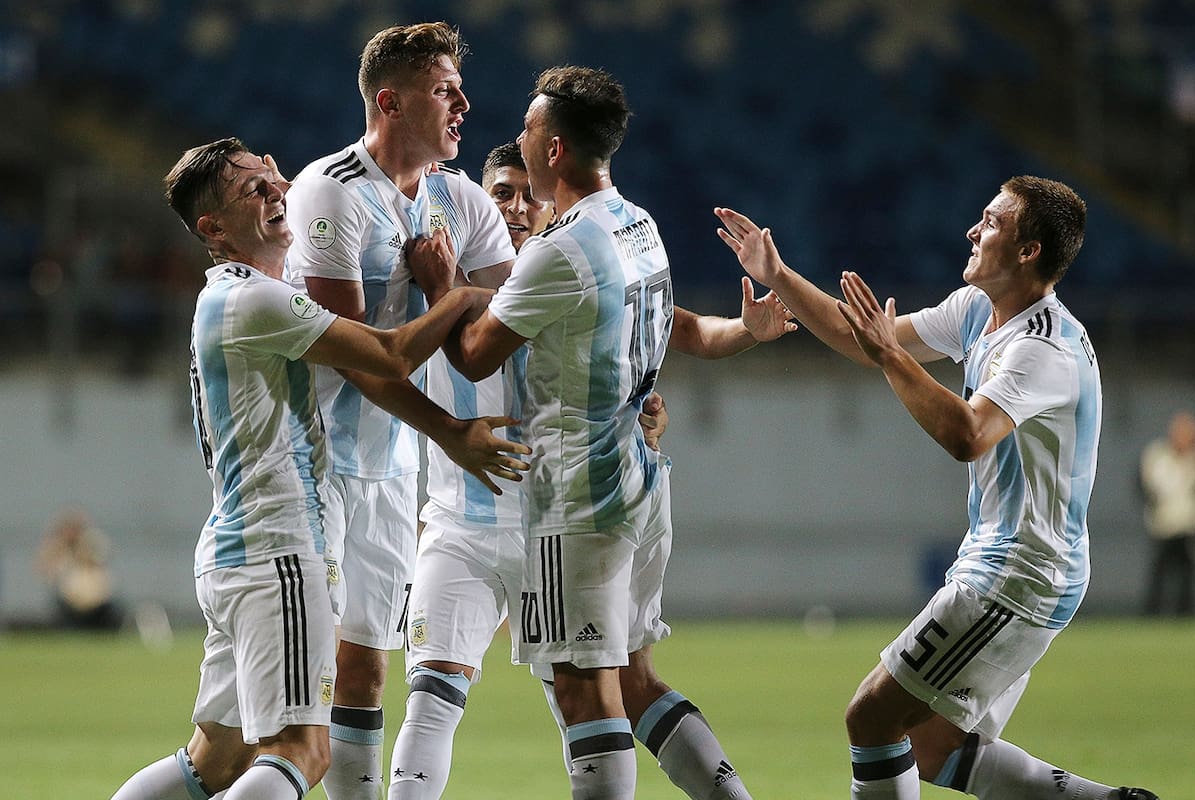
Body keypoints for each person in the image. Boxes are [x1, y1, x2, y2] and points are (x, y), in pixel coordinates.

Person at [715, 178, 1157, 800]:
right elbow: (859, 341)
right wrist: (778, 274)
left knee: (871, 718)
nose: (974, 231)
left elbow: (968, 434)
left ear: (1028, 251)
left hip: (1020, 572)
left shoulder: (1043, 348)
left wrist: (894, 356)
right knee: (930, 747)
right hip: (1015, 565)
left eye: (992, 222)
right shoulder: (979, 310)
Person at [389, 139, 791, 799]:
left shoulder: (578, 272)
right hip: (461, 524)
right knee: (432, 691)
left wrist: (745, 330)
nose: (516, 208)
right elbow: (404, 183)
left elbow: (688, 332)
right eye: (501, 195)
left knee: (619, 692)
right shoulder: (441, 264)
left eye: (530, 194)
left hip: (558, 528)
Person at [110, 137, 494, 800]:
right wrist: (456, 294)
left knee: (214, 763)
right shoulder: (256, 301)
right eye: (252, 191)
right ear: (214, 229)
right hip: (282, 549)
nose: (276, 191)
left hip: (236, 548)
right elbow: (391, 354)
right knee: (302, 751)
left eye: (272, 177)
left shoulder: (232, 296)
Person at [282, 22, 528, 799]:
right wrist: (453, 427)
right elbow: (355, 355)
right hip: (308, 456)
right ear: (389, 101)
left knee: (364, 660)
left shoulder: (462, 199)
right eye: (443, 90)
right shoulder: (330, 191)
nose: (464, 103)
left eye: (459, 88)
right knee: (302, 678)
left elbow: (512, 327)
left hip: (391, 463)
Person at [1139, 409, 1195, 616]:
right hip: (1163, 524)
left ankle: (1185, 614)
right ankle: (1151, 614)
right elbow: (1145, 485)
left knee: (1187, 574)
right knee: (1159, 572)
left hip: (1188, 524)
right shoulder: (1158, 455)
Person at [35, 507, 123, 631]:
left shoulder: (91, 541)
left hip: (97, 603)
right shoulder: (59, 549)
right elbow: (44, 567)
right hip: (70, 603)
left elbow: (98, 560)